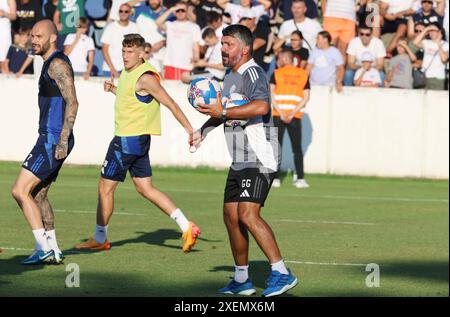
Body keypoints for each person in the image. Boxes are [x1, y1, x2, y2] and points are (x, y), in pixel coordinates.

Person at [194, 24, 298, 297]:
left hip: (259, 156)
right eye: (222, 43)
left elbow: (262, 107)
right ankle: (242, 280)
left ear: (244, 48)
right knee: (231, 216)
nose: (222, 48)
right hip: (240, 158)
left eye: (228, 44)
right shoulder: (229, 77)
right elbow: (222, 111)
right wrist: (202, 130)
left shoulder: (254, 73)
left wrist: (224, 112)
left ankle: (281, 273)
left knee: (247, 214)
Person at [74, 33, 201, 253]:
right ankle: (186, 226)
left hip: (126, 140)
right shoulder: (129, 72)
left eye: (131, 52)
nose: (125, 56)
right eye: (124, 51)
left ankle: (100, 237)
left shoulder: (146, 77)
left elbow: (170, 103)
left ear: (143, 53)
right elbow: (133, 99)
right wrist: (113, 90)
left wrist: (190, 130)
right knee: (145, 188)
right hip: (138, 140)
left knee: (105, 187)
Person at [11, 20, 79, 265]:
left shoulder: (57, 64)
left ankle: (43, 248)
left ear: (53, 38)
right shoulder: (49, 63)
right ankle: (54, 250)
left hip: (52, 140)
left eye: (39, 35)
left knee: (19, 190)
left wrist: (62, 141)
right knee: (38, 195)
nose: (33, 39)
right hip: (50, 138)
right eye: (32, 35)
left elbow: (73, 102)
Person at [270, 49, 310, 189]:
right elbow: (306, 97)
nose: (278, 60)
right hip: (295, 116)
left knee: (277, 148)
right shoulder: (303, 74)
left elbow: (271, 94)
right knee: (297, 148)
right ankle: (300, 179)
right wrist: (292, 113)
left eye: (279, 58)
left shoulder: (276, 73)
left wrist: (281, 113)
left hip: (278, 116)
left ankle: (275, 179)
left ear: (285, 58)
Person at [156, 1, 201, 80]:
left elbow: (195, 46)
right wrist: (171, 10)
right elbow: (158, 22)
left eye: (183, 10)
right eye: (178, 10)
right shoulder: (169, 25)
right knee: (170, 90)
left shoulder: (194, 27)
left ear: (187, 12)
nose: (180, 12)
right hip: (170, 64)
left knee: (185, 90)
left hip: (187, 65)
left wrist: (196, 60)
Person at [101, 3, 139, 78]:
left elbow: (137, 49)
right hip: (109, 69)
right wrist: (112, 69)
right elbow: (104, 50)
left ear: (130, 13)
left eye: (126, 11)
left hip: (128, 70)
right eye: (121, 11)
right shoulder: (110, 27)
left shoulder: (135, 27)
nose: (123, 13)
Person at [413, 23, 449, 90]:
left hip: (437, 78)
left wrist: (438, 43)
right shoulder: (426, 42)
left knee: (435, 99)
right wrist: (426, 29)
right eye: (430, 31)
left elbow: (444, 59)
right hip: (424, 77)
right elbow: (415, 42)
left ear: (440, 32)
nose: (431, 32)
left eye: (433, 30)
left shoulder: (446, 44)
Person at [0, 0, 16, 73]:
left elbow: (14, 16)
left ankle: (7, 82)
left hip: (4, 33)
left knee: (3, 62)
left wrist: (4, 13)